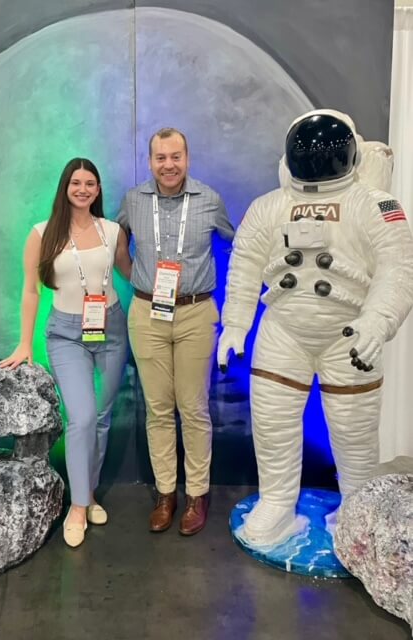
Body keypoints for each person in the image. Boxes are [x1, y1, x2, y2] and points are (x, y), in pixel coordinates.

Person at [218, 109, 413, 547]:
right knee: (272, 424)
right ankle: (276, 505)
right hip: (284, 330)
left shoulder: (375, 204)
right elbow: (245, 265)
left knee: (354, 433)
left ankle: (357, 510)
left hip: (350, 335)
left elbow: (398, 270)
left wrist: (377, 321)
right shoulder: (269, 207)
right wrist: (235, 323)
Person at [0, 158, 131, 548]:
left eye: (91, 183)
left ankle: (88, 494)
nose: (84, 189)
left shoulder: (111, 231)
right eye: (77, 182)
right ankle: (77, 506)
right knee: (83, 417)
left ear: (98, 189)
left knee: (103, 417)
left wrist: (172, 292)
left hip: (111, 328)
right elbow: (30, 291)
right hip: (66, 335)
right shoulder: (42, 233)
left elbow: (131, 273)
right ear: (65, 186)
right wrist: (25, 343)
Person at [117, 127, 234, 535]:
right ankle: (166, 493)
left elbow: (237, 243)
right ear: (150, 162)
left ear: (187, 157)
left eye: (176, 156)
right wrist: (138, 282)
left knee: (194, 408)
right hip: (147, 313)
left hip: (196, 313)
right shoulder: (134, 200)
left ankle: (197, 494)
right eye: (161, 158)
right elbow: (117, 243)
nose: (169, 165)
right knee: (158, 408)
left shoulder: (209, 200)